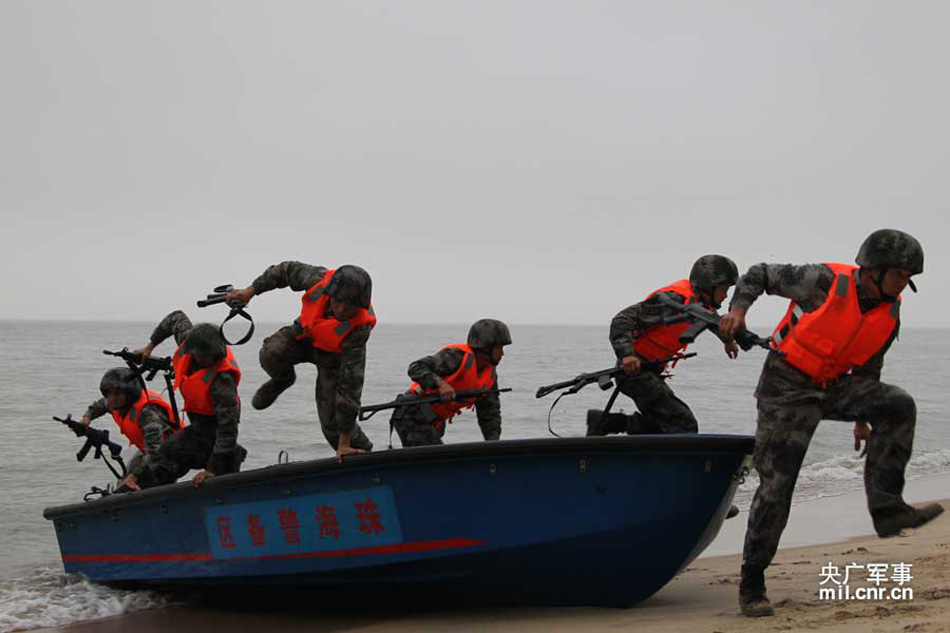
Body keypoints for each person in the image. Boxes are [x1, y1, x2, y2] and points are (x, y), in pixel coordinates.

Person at [718, 229, 944, 618]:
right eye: (899, 275)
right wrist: (738, 309)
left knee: (898, 405)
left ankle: (887, 508)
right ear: (872, 269)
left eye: (909, 277)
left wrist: (863, 418)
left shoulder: (891, 310)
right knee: (778, 487)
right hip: (786, 385)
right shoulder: (822, 281)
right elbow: (759, 274)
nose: (903, 283)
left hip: (836, 385)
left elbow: (870, 363)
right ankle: (752, 581)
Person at [226, 262, 375, 460]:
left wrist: (344, 442)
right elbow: (283, 271)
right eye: (338, 302)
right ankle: (283, 379)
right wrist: (250, 292)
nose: (341, 309)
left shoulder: (358, 330)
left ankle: (367, 455)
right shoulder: (317, 278)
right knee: (271, 353)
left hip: (333, 358)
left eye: (350, 307)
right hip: (305, 336)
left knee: (333, 426)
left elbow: (351, 387)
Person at [588, 254, 741, 436]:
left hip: (650, 371)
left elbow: (710, 320)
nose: (725, 296)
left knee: (662, 424)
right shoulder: (673, 301)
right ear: (708, 286)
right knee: (684, 424)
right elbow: (622, 320)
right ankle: (675, 462)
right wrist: (627, 354)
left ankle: (609, 422)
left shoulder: (701, 304)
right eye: (723, 289)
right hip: (635, 373)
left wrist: (727, 340)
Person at [131, 312, 245, 487]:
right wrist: (150, 347)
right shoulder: (190, 341)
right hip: (198, 428)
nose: (206, 360)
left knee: (219, 480)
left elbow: (228, 429)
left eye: (210, 357)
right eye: (201, 356)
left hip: (218, 434)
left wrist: (212, 469)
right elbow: (175, 318)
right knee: (163, 457)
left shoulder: (222, 381)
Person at [391, 319, 511, 447]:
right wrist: (440, 384)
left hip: (434, 420)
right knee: (434, 459)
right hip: (411, 411)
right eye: (499, 348)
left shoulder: (489, 376)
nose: (502, 353)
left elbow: (490, 415)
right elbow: (416, 367)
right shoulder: (456, 357)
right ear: (486, 348)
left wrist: (493, 446)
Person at [81, 367, 180, 489]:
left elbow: (155, 452)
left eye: (117, 393)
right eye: (109, 393)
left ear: (129, 393)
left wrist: (134, 477)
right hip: (148, 452)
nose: (112, 398)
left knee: (132, 484)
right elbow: (99, 406)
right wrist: (86, 419)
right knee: (125, 480)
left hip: (170, 455)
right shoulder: (115, 403)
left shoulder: (147, 412)